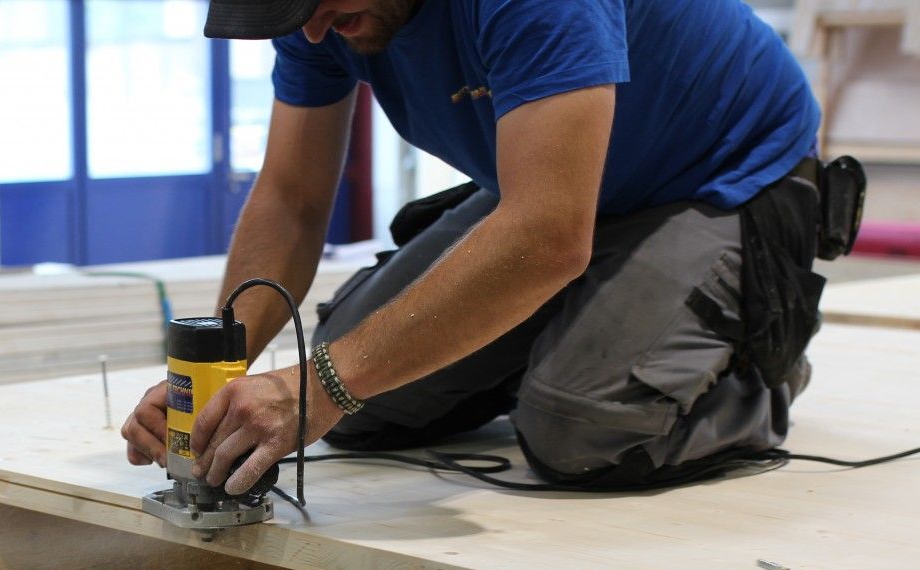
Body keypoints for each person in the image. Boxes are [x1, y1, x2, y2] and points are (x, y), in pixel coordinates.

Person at [122, 0, 863, 495]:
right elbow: (292, 199)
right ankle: (594, 337)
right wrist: (213, 377)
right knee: (363, 404)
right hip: (562, 187)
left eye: (315, 5)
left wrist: (317, 388)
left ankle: (748, 366)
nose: (312, 32)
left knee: (584, 430)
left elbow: (546, 235)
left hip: (717, 177)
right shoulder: (319, 15)